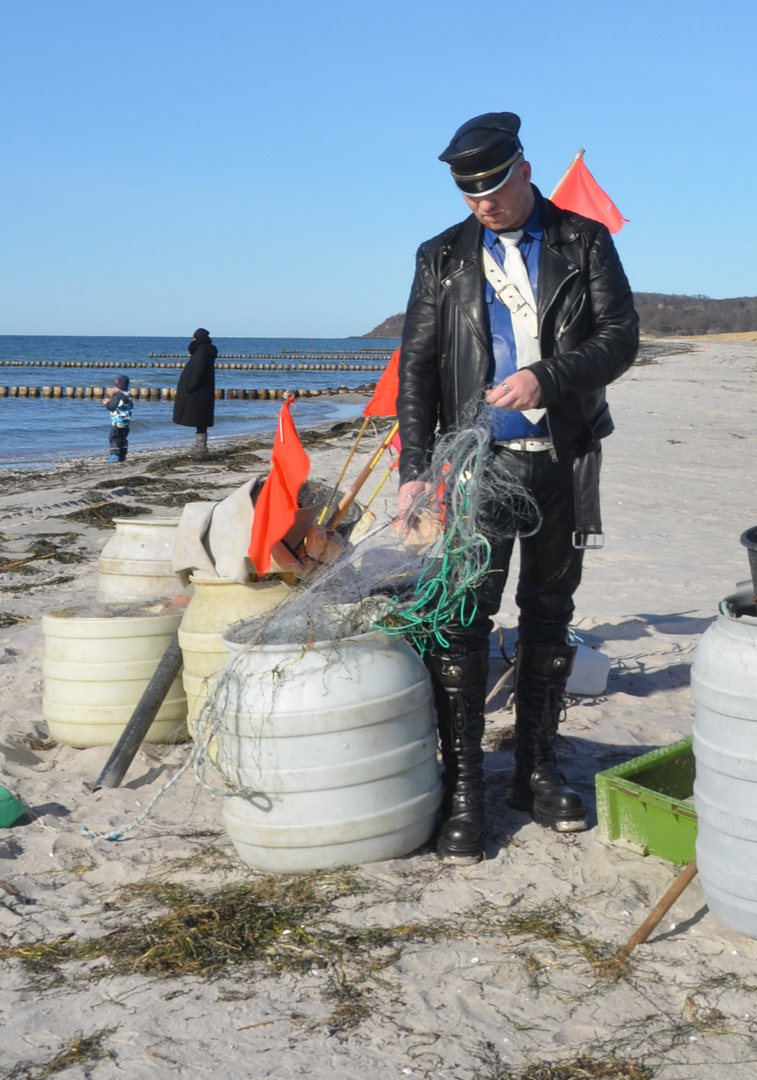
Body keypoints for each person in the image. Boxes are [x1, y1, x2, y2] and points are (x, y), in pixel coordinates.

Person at [396, 111, 638, 863]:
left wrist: (546, 375)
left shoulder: (584, 240)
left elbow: (620, 337)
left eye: (494, 187)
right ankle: (465, 787)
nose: (482, 203)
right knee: (463, 617)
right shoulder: (440, 257)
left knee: (547, 613)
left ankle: (534, 769)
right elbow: (416, 369)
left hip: (563, 457)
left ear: (523, 170)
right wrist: (413, 473)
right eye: (468, 194)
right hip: (477, 467)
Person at [172, 328, 218, 453]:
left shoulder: (201, 353)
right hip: (202, 391)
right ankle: (200, 446)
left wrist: (190, 387)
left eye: (193, 338)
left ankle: (200, 447)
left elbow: (199, 372)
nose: (192, 340)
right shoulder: (205, 351)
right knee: (201, 420)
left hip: (198, 392)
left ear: (197, 339)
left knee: (200, 419)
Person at [103, 375, 133, 464]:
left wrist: (106, 403)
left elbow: (112, 407)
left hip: (117, 422)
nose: (114, 388)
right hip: (126, 422)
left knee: (114, 438)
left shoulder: (118, 396)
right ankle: (122, 456)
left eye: (115, 387)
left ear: (118, 387)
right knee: (123, 438)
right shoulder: (128, 395)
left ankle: (115, 455)